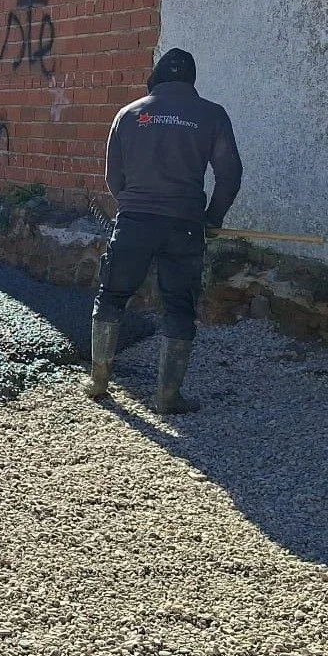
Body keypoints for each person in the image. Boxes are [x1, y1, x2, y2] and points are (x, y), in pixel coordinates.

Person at [86, 48, 242, 413]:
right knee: (179, 305)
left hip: (134, 224)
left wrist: (133, 206)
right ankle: (168, 397)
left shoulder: (128, 114)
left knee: (111, 296)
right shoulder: (212, 114)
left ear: (154, 78)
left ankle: (98, 382)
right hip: (184, 226)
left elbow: (113, 177)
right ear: (191, 80)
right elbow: (229, 176)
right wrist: (212, 219)